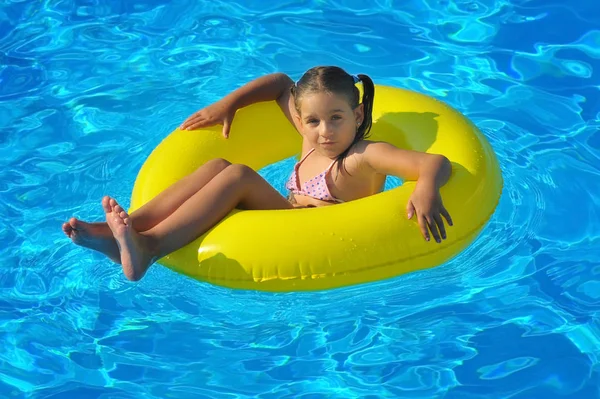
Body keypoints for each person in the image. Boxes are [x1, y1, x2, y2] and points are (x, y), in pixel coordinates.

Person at [62, 66, 453, 282]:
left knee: (239, 177)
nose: (324, 132)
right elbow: (282, 83)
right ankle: (131, 228)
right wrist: (227, 103)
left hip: (313, 231)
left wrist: (425, 190)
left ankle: (148, 248)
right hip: (286, 214)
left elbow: (437, 162)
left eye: (337, 119)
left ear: (358, 115)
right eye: (313, 120)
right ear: (301, 119)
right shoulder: (309, 137)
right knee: (218, 166)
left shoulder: (362, 156)